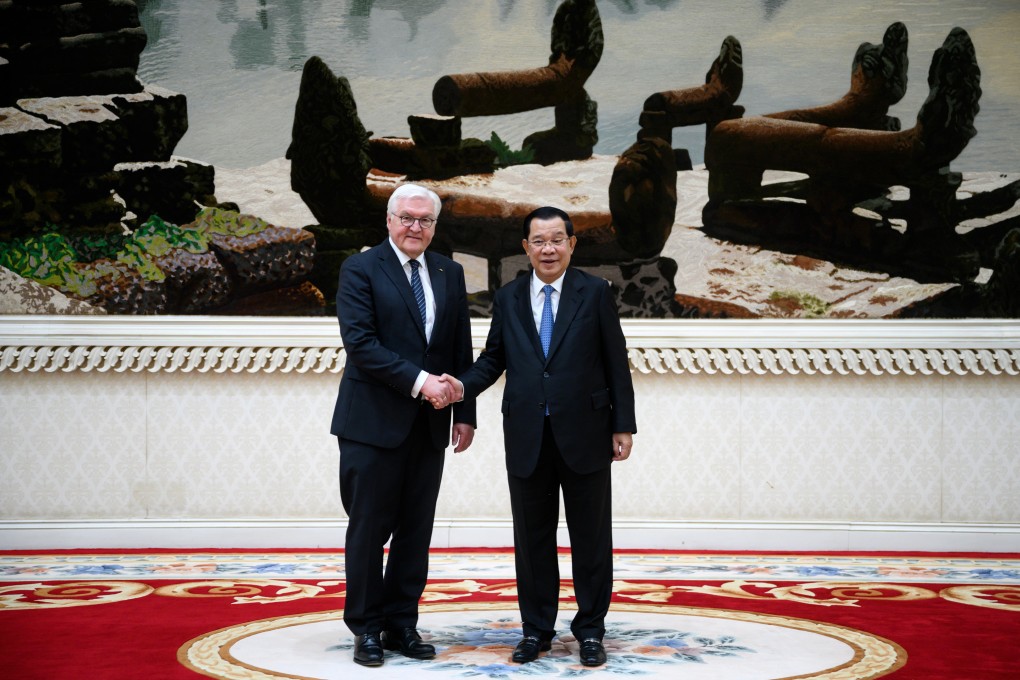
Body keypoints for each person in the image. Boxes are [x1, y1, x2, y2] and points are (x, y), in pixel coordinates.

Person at [443, 206, 636, 667]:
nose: (548, 248)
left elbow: (616, 360)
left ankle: (590, 630)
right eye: (538, 241)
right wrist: (460, 387)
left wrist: (623, 424)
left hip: (586, 433)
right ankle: (536, 630)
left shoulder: (595, 293)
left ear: (572, 243)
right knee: (532, 540)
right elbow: (493, 359)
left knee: (591, 537)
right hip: (528, 433)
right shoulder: (508, 297)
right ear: (525, 248)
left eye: (556, 239)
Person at [330, 183, 476, 667]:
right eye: (408, 218)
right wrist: (420, 383)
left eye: (426, 220)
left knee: (416, 531)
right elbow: (362, 344)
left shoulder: (449, 272)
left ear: (435, 226)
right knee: (370, 530)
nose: (416, 227)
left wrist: (464, 411)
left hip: (430, 427)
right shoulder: (360, 268)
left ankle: (402, 624)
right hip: (371, 425)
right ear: (390, 220)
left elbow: (459, 346)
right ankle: (367, 629)